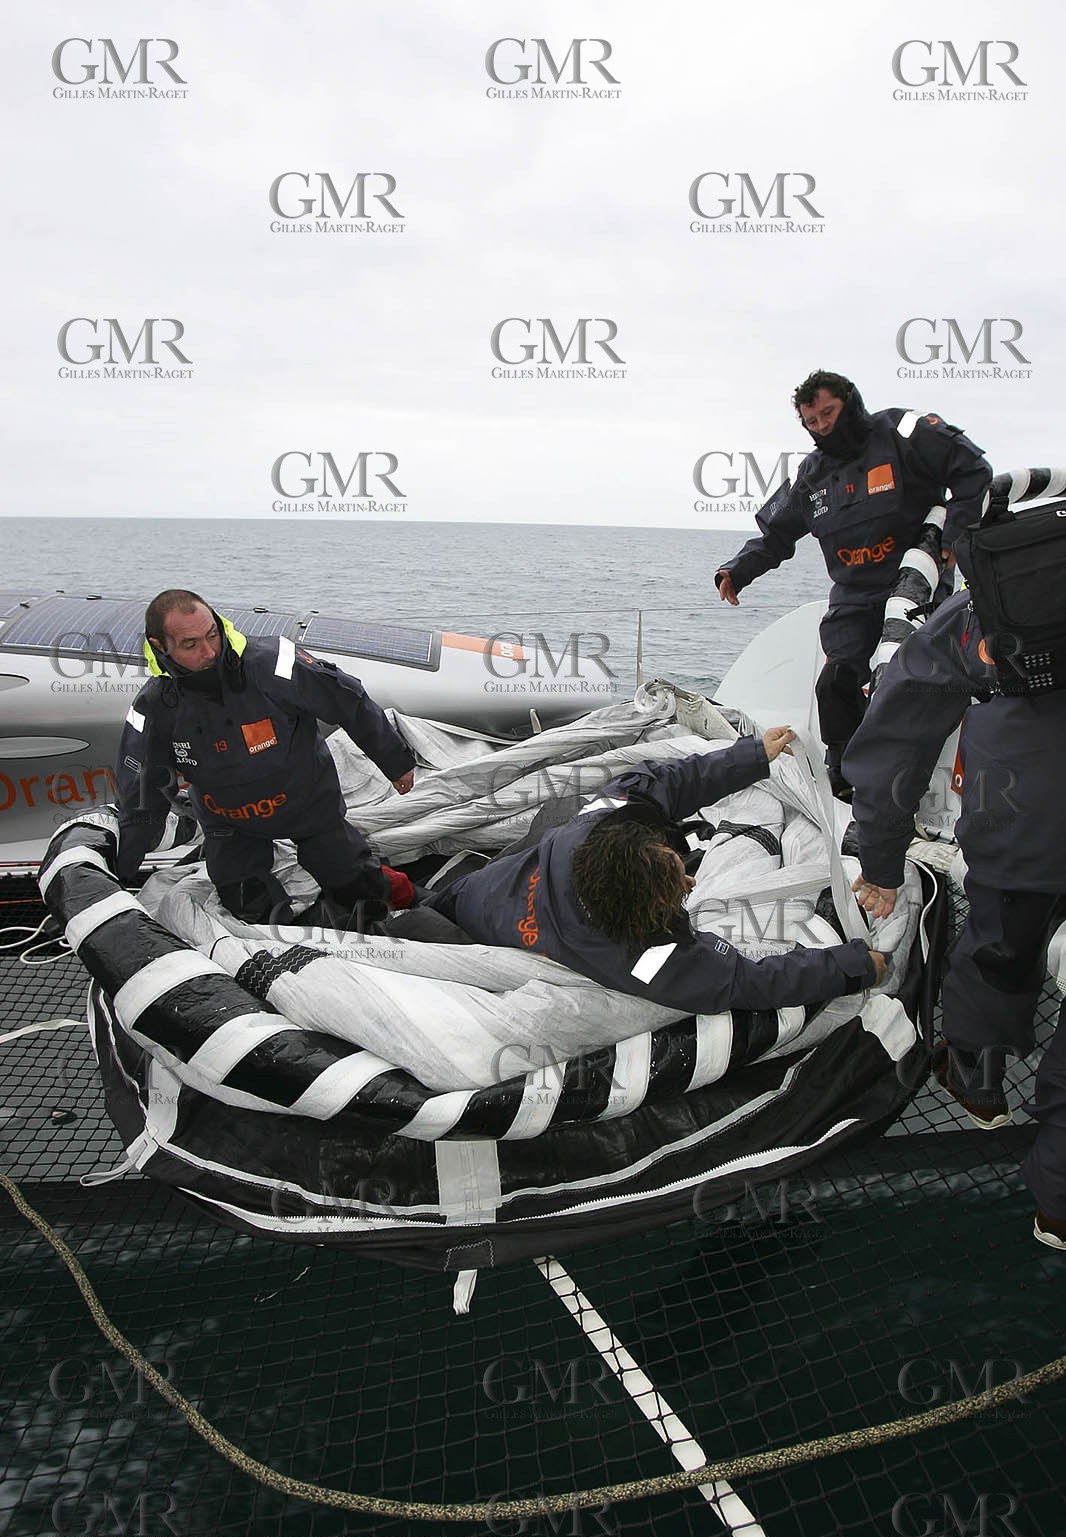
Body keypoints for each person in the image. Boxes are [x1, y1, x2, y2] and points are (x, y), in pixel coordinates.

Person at [843, 498, 1066, 1250]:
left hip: (1024, 818)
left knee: (1002, 939)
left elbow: (898, 729)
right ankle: (1059, 1204)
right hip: (1030, 817)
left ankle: (972, 1079)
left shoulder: (994, 606)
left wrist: (877, 857)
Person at [429, 727, 887, 1015]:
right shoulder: (639, 960)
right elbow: (745, 981)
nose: (692, 880)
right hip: (467, 919)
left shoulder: (593, 826)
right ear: (639, 918)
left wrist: (750, 757)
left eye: (677, 870)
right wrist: (851, 967)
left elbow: (662, 782)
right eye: (677, 887)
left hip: (471, 890)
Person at [714, 370, 992, 798]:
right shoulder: (811, 475)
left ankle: (909, 778)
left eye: (829, 413)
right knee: (835, 682)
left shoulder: (903, 432)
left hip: (916, 587)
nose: (823, 426)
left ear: (850, 402)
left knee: (900, 682)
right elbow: (776, 534)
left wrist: (957, 533)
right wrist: (737, 571)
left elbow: (973, 469)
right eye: (812, 421)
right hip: (854, 595)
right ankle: (847, 780)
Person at [115, 590, 415, 925]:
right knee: (248, 906)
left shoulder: (273, 662)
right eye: (191, 644)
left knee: (355, 882)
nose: (209, 651)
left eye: (212, 635)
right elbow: (142, 783)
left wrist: (396, 762)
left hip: (307, 803)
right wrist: (125, 866)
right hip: (229, 820)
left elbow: (347, 699)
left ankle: (398, 899)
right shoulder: (155, 705)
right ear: (160, 646)